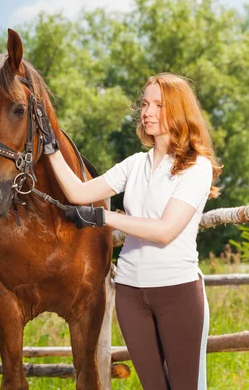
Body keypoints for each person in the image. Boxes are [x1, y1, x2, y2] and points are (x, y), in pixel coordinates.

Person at [44, 73, 221, 389]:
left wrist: (105, 218)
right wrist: (51, 148)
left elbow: (165, 230)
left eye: (158, 105)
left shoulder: (197, 167)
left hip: (177, 292)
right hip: (130, 293)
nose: (147, 112)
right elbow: (78, 193)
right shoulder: (135, 164)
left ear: (179, 110)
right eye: (144, 104)